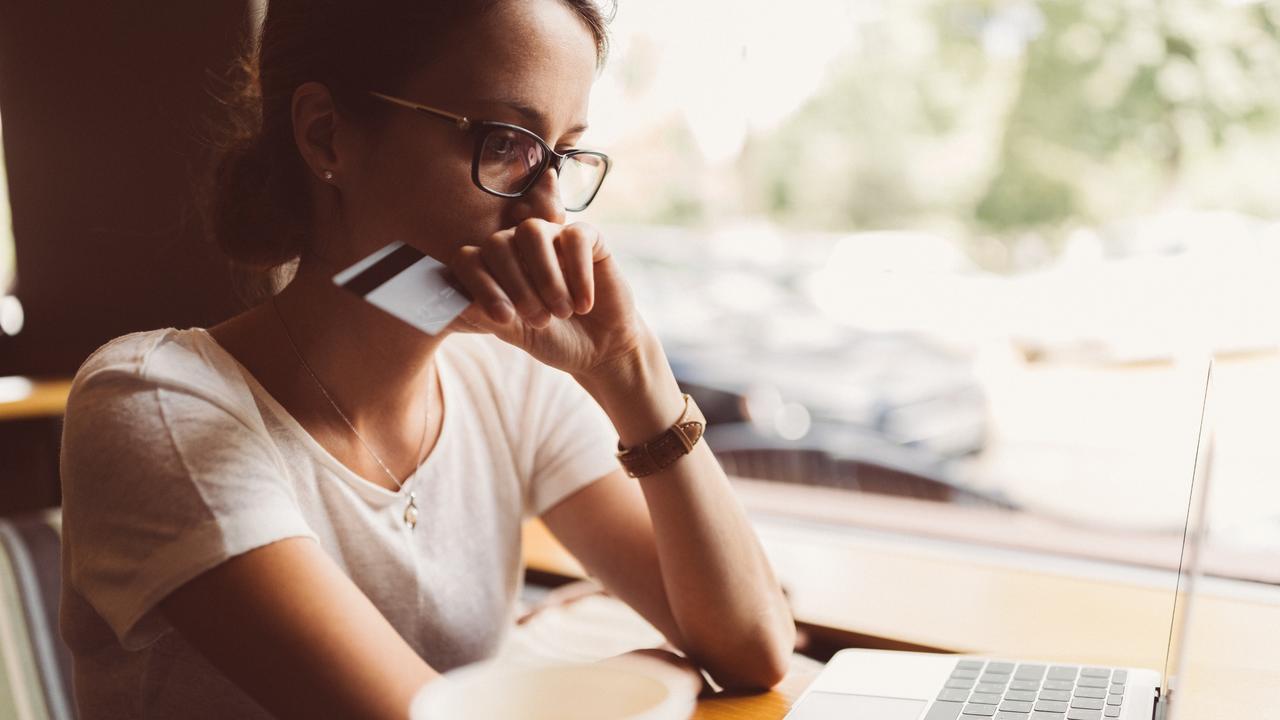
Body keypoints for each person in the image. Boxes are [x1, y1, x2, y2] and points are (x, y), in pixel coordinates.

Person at [58, 1, 796, 718]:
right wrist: (640, 675)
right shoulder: (157, 407)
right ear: (326, 138)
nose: (548, 216)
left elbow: (753, 646)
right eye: (505, 144)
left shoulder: (508, 383)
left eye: (561, 158)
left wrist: (627, 368)